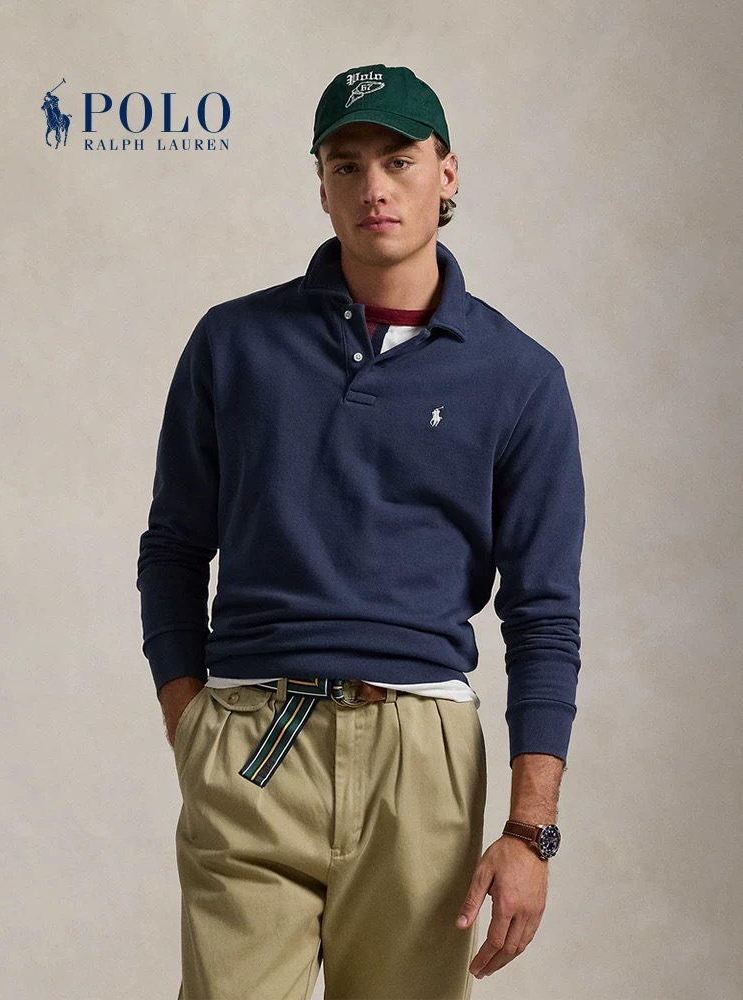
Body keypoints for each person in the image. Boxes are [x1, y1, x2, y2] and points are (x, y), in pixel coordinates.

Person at [136, 62, 586, 1000]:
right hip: (252, 737)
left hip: (421, 756)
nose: (374, 186)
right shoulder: (232, 342)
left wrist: (529, 830)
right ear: (321, 183)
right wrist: (190, 724)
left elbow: (543, 616)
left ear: (446, 173)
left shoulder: (520, 377)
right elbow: (174, 548)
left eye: (398, 160)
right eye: (346, 165)